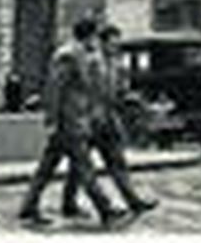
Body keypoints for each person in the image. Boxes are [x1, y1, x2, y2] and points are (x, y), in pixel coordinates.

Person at [16, 16, 130, 228]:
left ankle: (28, 207)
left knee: (47, 168)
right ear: (88, 35)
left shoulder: (81, 55)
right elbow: (54, 89)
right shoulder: (68, 55)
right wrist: (52, 119)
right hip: (69, 122)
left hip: (76, 120)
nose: (97, 41)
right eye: (95, 36)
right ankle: (105, 208)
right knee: (84, 167)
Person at [61, 23, 156, 219]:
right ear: (101, 42)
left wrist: (131, 99)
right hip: (89, 120)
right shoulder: (91, 61)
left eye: (117, 44)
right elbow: (84, 90)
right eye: (112, 44)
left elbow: (119, 91)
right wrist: (82, 117)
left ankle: (133, 201)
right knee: (80, 167)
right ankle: (70, 204)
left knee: (117, 163)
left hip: (108, 120)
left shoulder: (117, 63)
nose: (115, 47)